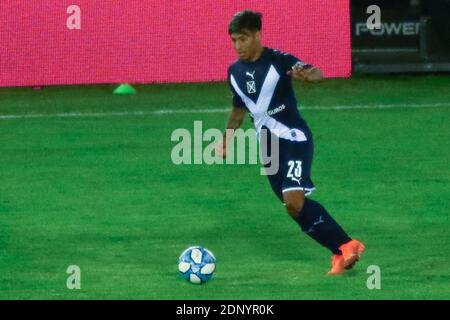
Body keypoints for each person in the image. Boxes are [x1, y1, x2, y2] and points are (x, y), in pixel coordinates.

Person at [216, 10, 365, 275]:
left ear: (258, 35)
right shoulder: (234, 72)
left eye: (244, 39)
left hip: (293, 137)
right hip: (269, 148)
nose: (238, 46)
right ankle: (340, 251)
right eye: (234, 40)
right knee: (293, 208)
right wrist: (225, 140)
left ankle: (348, 245)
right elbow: (239, 111)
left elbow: (316, 72)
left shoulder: (280, 60)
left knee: (294, 200)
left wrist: (308, 76)